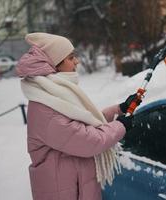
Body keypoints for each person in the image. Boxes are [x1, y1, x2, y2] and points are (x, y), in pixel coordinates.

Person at [16, 32, 140, 200]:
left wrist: (119, 109)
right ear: (55, 64)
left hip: (76, 188)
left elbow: (83, 123)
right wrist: (121, 126)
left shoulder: (54, 94)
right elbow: (89, 140)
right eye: (71, 57)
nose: (77, 61)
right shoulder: (45, 108)